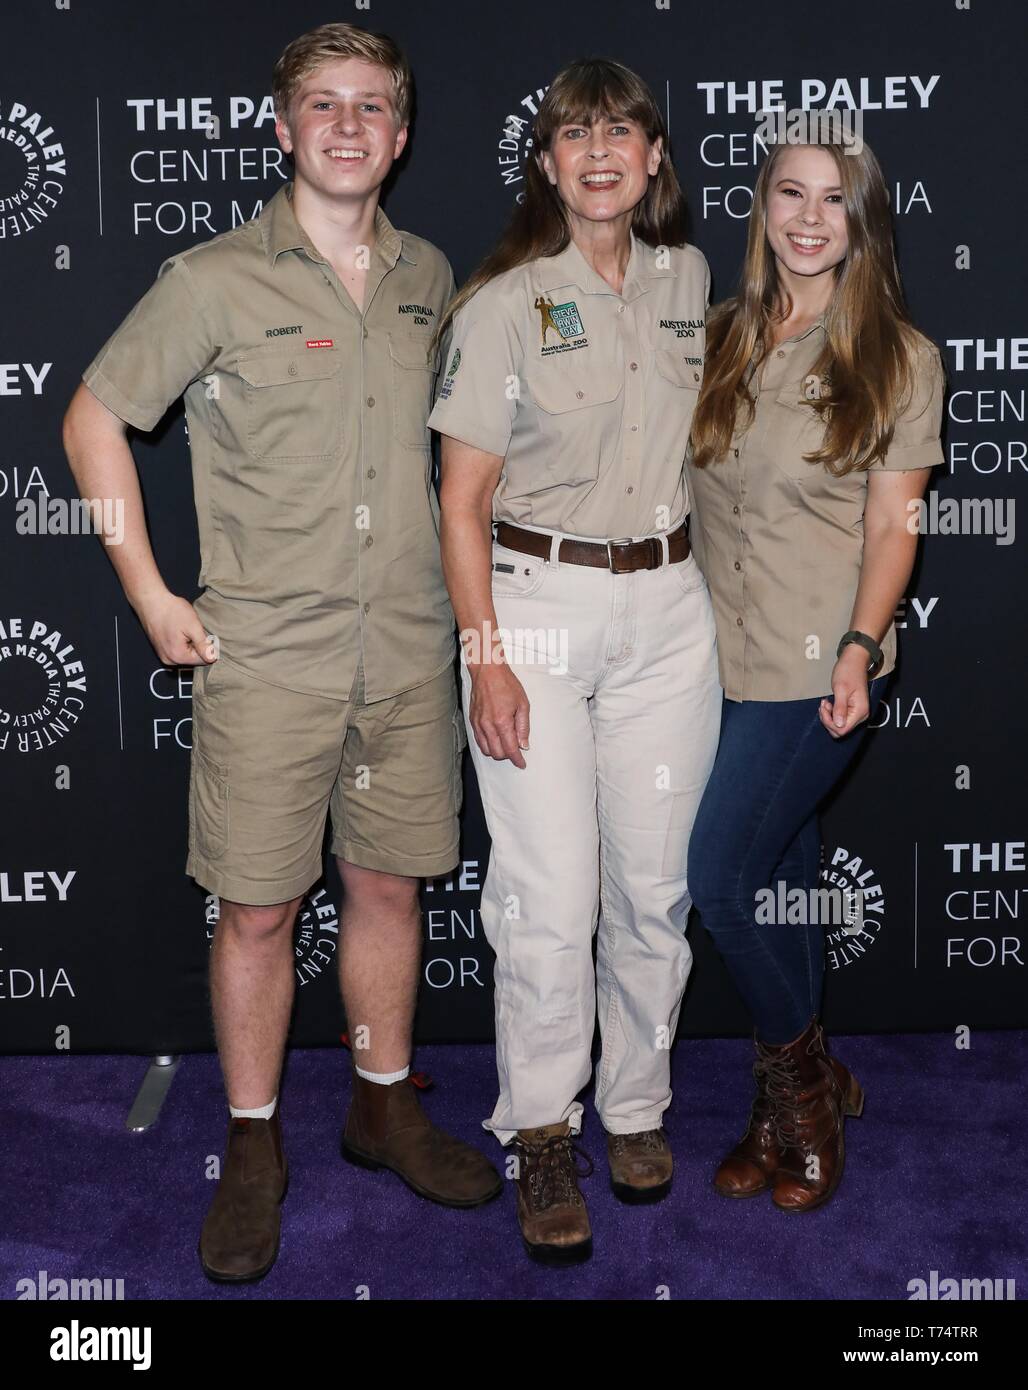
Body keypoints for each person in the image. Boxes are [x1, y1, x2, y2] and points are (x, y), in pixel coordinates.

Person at [62, 22, 500, 1285]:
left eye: (372, 106)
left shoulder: (429, 273)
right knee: (257, 908)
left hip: (407, 646)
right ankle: (251, 1144)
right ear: (283, 126)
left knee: (387, 888)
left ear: (401, 135)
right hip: (267, 656)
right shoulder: (209, 278)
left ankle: (379, 1101)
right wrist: (147, 590)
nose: (349, 125)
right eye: (323, 104)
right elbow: (92, 418)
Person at [429, 58, 721, 1264]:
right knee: (549, 897)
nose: (598, 151)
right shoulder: (503, 303)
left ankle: (636, 1106)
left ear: (653, 157)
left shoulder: (690, 279)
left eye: (620, 130)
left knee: (652, 888)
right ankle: (542, 1127)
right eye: (572, 134)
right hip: (533, 606)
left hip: (667, 607)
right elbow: (458, 502)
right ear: (544, 163)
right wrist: (485, 657)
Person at [686, 132, 945, 1213]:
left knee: (720, 877)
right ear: (759, 206)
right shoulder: (718, 339)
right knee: (782, 873)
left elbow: (893, 527)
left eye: (831, 200)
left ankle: (799, 1097)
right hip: (709, 656)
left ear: (862, 219)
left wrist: (856, 646)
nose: (805, 217)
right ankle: (798, 1084)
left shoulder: (898, 354)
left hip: (814, 663)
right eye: (787, 193)